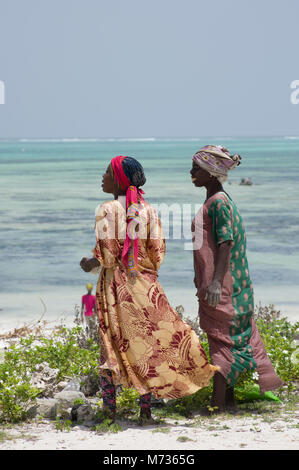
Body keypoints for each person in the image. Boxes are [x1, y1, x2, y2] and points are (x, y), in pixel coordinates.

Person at [80, 155, 219, 424]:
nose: (103, 176)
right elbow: (158, 254)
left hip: (114, 289)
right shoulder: (149, 210)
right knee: (146, 346)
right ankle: (146, 413)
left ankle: (110, 413)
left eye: (107, 172)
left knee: (110, 344)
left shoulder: (107, 209)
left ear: (118, 179)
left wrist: (88, 263)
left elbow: (107, 258)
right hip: (144, 285)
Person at [190, 145, 284, 414]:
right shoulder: (217, 200)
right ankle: (226, 400)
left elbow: (226, 242)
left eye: (197, 168)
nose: (191, 172)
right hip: (225, 285)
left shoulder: (218, 202)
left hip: (224, 287)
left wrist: (217, 282)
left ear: (211, 173)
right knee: (226, 340)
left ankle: (217, 405)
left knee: (222, 341)